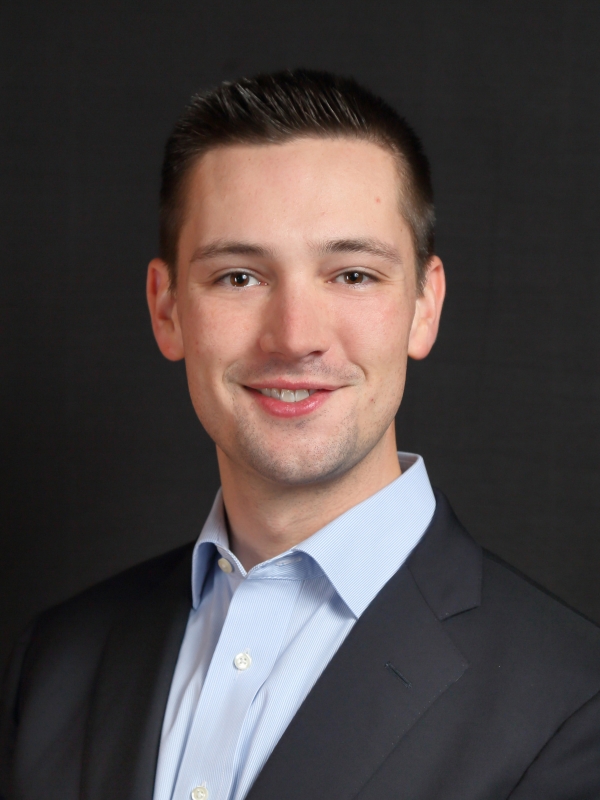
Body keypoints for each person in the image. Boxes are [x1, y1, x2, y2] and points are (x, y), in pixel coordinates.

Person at [2, 69, 600, 800]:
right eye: (239, 277)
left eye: (352, 275)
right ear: (167, 309)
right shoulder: (56, 663)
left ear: (424, 306)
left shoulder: (574, 705)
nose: (294, 337)